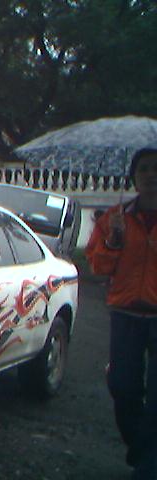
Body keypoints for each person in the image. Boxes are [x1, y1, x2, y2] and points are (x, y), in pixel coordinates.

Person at [86, 142, 157, 479]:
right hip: (126, 315)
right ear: (134, 176)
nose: (151, 174)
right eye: (144, 168)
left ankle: (147, 468)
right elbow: (98, 267)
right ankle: (142, 451)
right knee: (123, 387)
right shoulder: (116, 219)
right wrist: (113, 242)